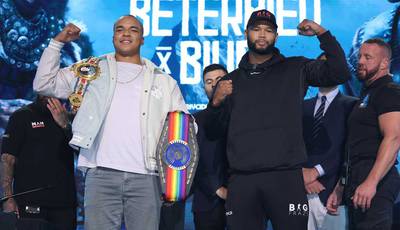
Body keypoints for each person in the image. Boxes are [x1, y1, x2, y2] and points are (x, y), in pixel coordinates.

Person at [33, 15, 189, 230]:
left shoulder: (163, 80)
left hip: (147, 176)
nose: (126, 33)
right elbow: (44, 84)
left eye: (133, 30)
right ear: (114, 36)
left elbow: (185, 128)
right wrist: (57, 42)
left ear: (142, 39)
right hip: (100, 174)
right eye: (120, 29)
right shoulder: (91, 70)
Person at [205, 9, 350, 230]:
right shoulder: (229, 82)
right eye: (256, 29)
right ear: (246, 34)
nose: (262, 35)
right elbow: (213, 132)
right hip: (243, 181)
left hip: (286, 179)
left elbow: (339, 73)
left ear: (276, 36)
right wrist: (215, 102)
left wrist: (323, 33)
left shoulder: (296, 68)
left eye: (268, 30)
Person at [327, 39, 400, 230]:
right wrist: (340, 187)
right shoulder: (368, 94)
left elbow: (394, 138)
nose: (360, 61)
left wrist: (371, 182)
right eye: (360, 56)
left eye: (368, 57)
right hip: (356, 180)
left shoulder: (389, 91)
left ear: (385, 63)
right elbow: (355, 147)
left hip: (376, 180)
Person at [1, 95, 76, 229]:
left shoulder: (71, 118)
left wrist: (65, 125)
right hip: (30, 203)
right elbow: (7, 159)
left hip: (65, 205)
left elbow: (84, 152)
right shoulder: (22, 116)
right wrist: (8, 198)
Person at [302, 66, 357, 230]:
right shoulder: (300, 106)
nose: (326, 70)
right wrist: (301, 174)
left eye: (330, 65)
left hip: (334, 193)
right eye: (321, 66)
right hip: (300, 192)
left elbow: (350, 149)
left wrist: (316, 171)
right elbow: (288, 145)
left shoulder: (352, 105)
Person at [192, 64, 229, 230]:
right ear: (203, 87)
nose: (214, 85)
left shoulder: (245, 115)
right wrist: (216, 188)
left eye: (219, 79)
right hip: (207, 201)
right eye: (208, 81)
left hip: (244, 198)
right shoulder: (194, 121)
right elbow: (192, 160)